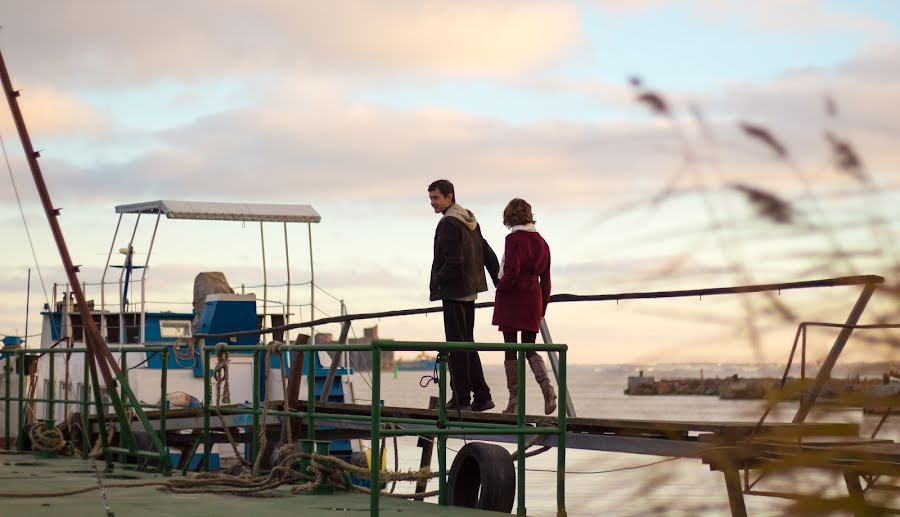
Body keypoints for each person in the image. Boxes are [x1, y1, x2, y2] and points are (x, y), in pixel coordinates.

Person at [429, 179, 500, 412]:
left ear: (450, 197)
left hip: (454, 290)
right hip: (470, 291)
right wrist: (497, 280)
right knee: (466, 343)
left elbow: (454, 260)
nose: (433, 203)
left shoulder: (449, 223)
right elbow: (486, 251)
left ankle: (461, 398)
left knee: (457, 346)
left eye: (436, 198)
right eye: (431, 199)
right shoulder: (469, 220)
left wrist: (437, 280)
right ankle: (482, 395)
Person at [492, 198, 557, 415]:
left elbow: (511, 271)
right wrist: (542, 307)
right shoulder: (542, 242)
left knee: (511, 348)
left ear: (509, 216)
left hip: (513, 296)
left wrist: (501, 289)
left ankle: (515, 401)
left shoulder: (513, 239)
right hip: (533, 296)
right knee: (529, 347)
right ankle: (547, 390)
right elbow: (546, 280)